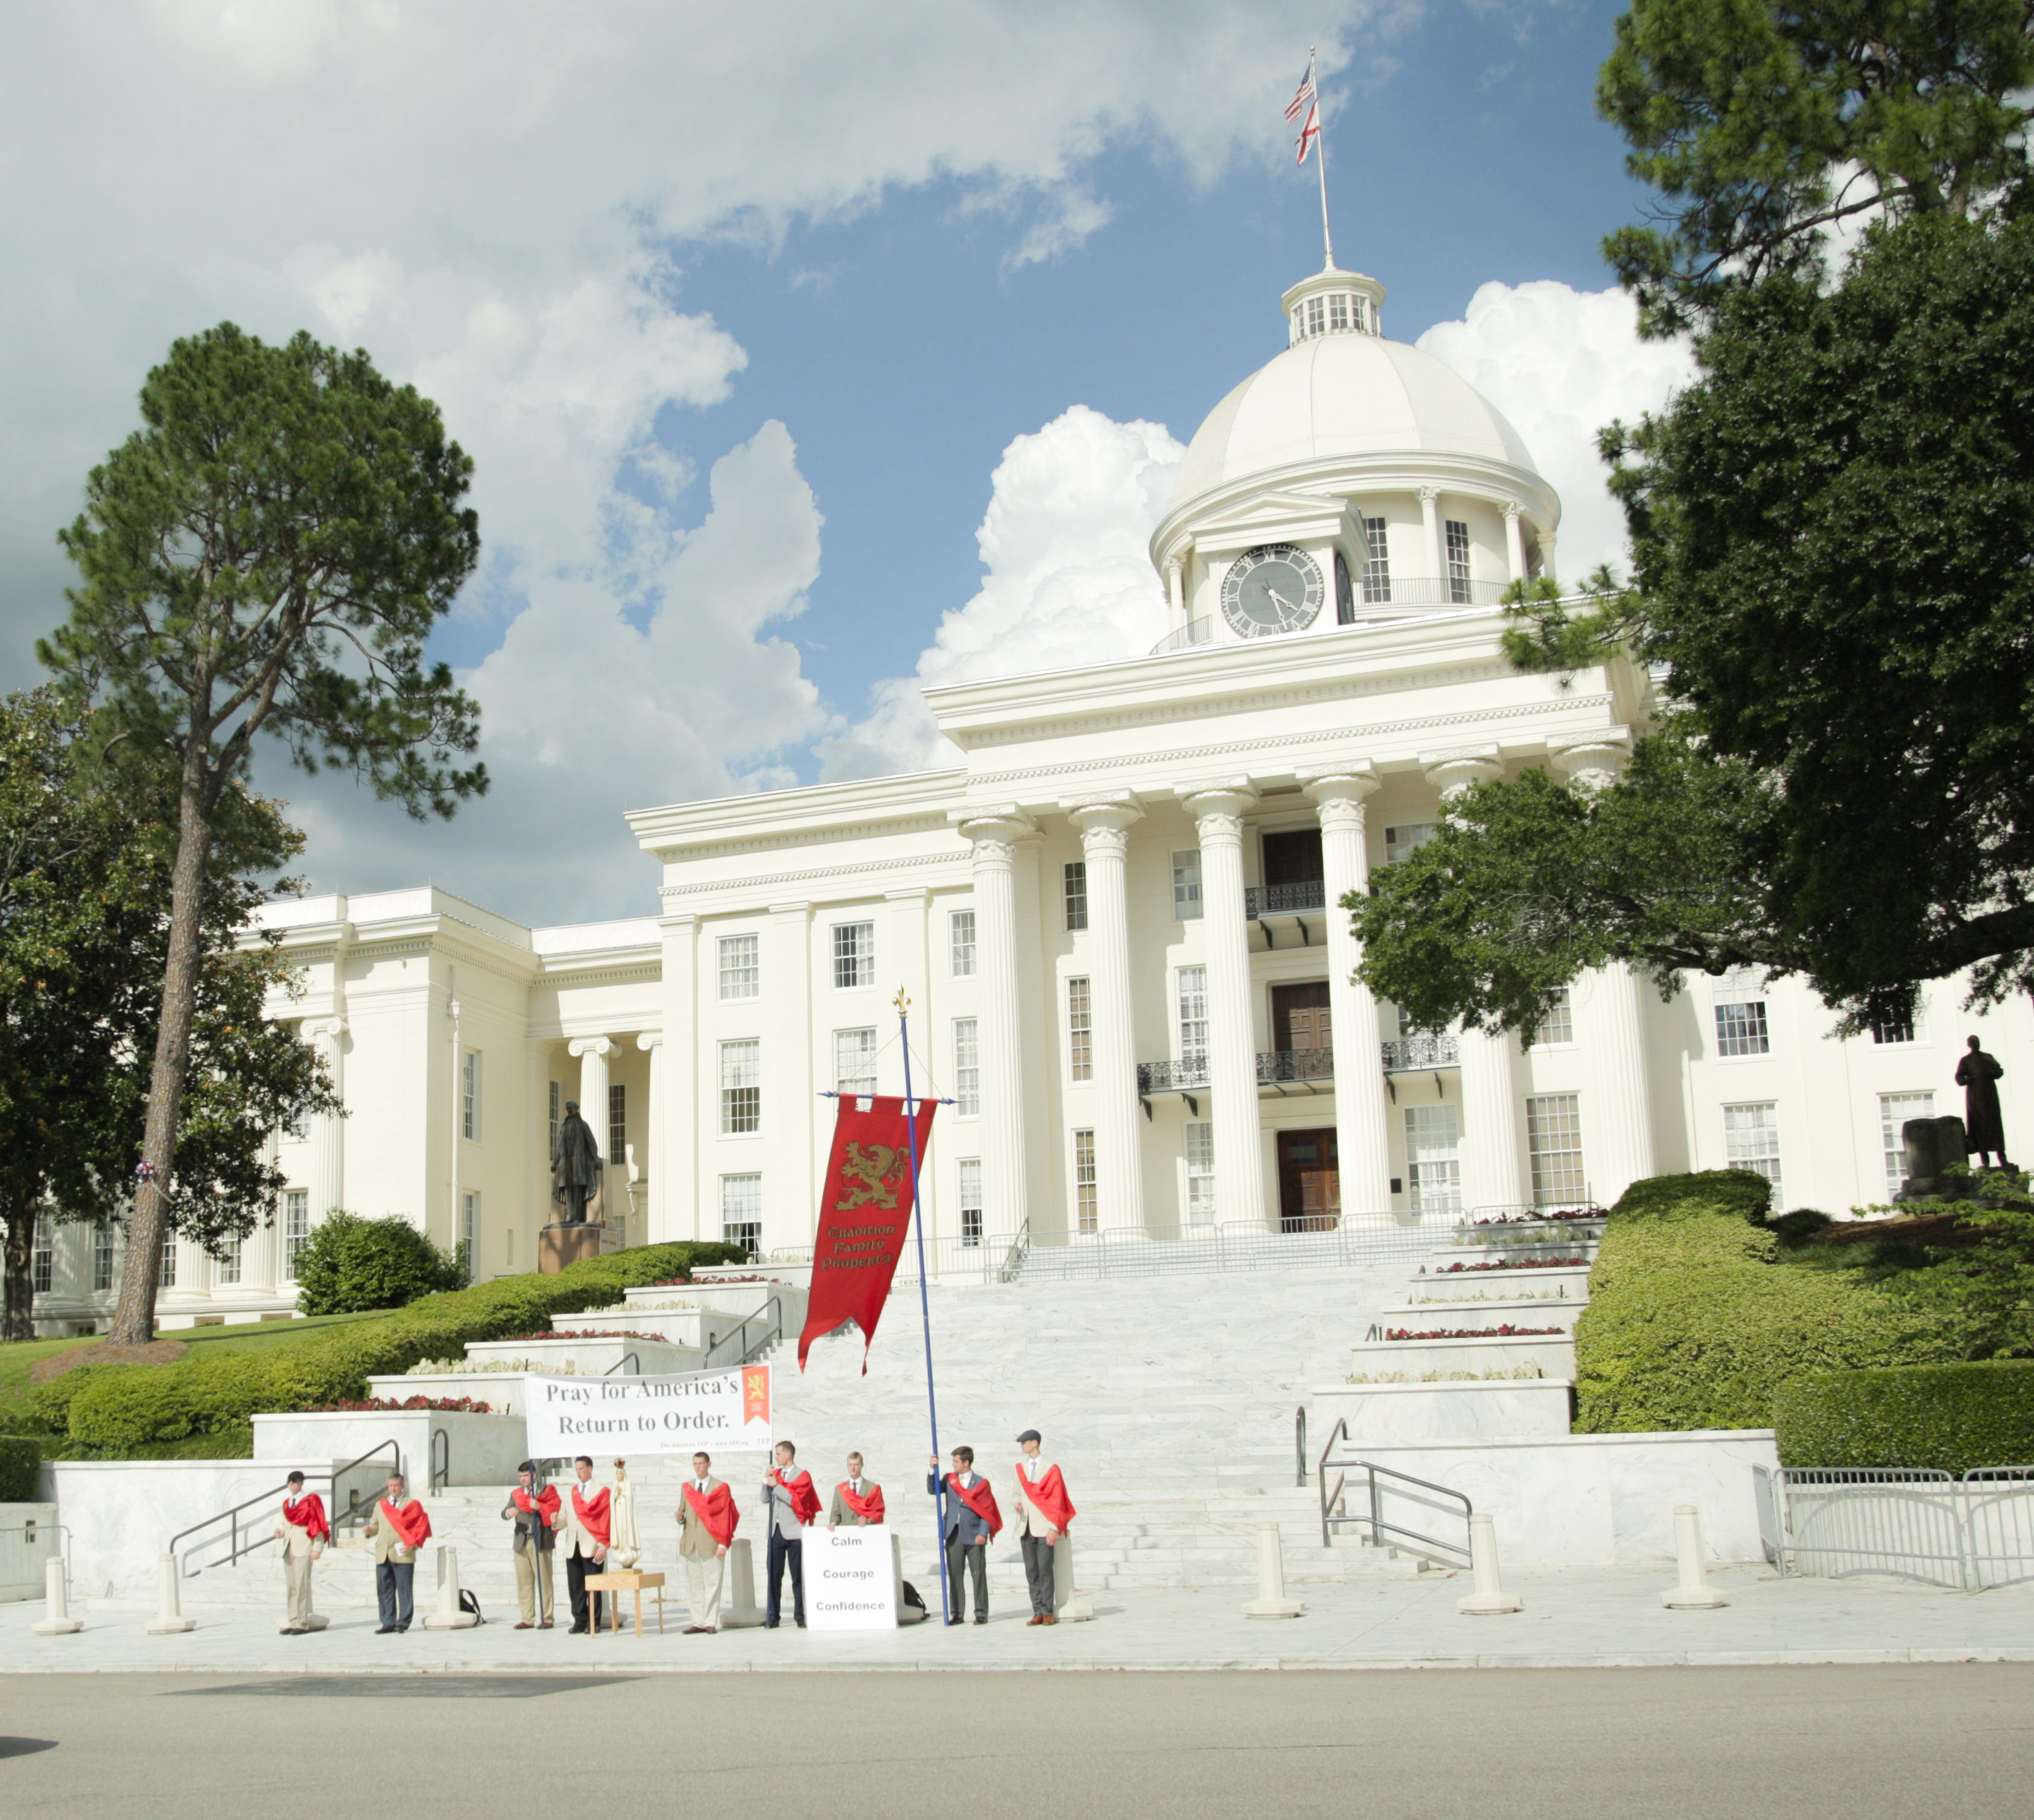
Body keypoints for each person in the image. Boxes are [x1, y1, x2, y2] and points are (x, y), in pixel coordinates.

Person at [1011, 1428, 1076, 1627]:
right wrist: (1016, 1502)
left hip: (1044, 1526)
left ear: (1035, 1443)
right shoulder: (1020, 1468)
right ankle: (1037, 1610)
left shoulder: (1051, 1469)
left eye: (1025, 1442)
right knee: (1032, 1571)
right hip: (1027, 1525)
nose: (1022, 1445)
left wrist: (1054, 1527)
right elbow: (1016, 1493)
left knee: (1045, 1570)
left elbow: (1057, 1500)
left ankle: (1048, 1611)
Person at [927, 1446, 999, 1626]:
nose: (953, 1465)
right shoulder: (950, 1480)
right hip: (954, 1533)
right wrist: (931, 1469)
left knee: (978, 1574)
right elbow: (933, 1489)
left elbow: (987, 1511)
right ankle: (957, 1613)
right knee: (955, 1575)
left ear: (966, 1463)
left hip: (974, 1533)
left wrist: (983, 1533)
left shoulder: (981, 1483)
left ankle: (981, 1612)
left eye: (956, 1462)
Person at [361, 1471, 431, 1634]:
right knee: (385, 1588)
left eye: (396, 1486)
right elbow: (376, 1526)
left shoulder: (412, 1504)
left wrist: (413, 1545)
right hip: (383, 1552)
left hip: (402, 1552)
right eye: (391, 1486)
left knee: (404, 1588)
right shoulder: (381, 1504)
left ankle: (403, 1622)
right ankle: (388, 1622)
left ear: (403, 1487)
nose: (393, 1489)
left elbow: (420, 1527)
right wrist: (369, 1530)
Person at [676, 1450, 737, 1634]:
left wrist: (723, 1543)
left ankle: (710, 1621)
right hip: (690, 1542)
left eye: (701, 1464)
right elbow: (683, 1512)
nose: (698, 1468)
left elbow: (726, 1516)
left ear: (709, 1464)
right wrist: (679, 1517)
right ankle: (698, 1621)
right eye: (695, 1464)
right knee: (693, 1584)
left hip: (711, 1542)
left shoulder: (720, 1487)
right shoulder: (687, 1487)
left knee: (712, 1583)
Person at [761, 1439, 819, 1629]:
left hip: (794, 1530)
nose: (776, 1457)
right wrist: (766, 1481)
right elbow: (765, 1499)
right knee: (774, 1575)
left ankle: (800, 1614)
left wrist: (776, 1485)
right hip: (775, 1530)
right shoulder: (776, 1474)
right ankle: (773, 1615)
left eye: (779, 1454)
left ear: (788, 1455)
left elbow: (795, 1499)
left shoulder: (802, 1475)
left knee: (797, 1576)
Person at [502, 1460, 560, 1630]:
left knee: (544, 1579)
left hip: (540, 1538)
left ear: (534, 1475)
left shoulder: (546, 1491)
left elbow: (555, 1508)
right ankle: (527, 1617)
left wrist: (540, 1506)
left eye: (526, 1476)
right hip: (521, 1540)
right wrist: (508, 1513)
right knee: (524, 1581)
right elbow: (504, 1511)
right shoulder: (516, 1494)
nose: (523, 1480)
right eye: (520, 1476)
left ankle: (547, 1617)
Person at [272, 1470, 327, 1636]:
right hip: (289, 1548)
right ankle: (293, 1619)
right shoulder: (287, 1503)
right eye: (292, 1482)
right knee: (292, 1586)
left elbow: (317, 1524)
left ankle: (302, 1622)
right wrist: (280, 1532)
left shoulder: (310, 1501)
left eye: (298, 1482)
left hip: (304, 1547)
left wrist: (317, 1548)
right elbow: (286, 1524)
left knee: (302, 1585)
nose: (295, 1485)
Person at [562, 1454, 611, 1634]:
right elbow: (563, 1518)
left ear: (590, 1469)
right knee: (575, 1586)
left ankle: (594, 1622)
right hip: (573, 1545)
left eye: (582, 1469)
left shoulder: (600, 1491)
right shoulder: (571, 1493)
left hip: (592, 1545)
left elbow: (605, 1519)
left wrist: (603, 1545)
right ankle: (580, 1619)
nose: (579, 1473)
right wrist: (554, 1520)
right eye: (576, 1470)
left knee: (593, 1586)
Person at [1959, 1036, 2010, 1169]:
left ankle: (2002, 1158)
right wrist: (1967, 1080)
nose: (1976, 1044)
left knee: (1995, 1125)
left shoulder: (1988, 1057)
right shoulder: (1966, 1061)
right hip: (1975, 1097)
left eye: (1977, 1042)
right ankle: (1985, 1161)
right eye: (1973, 1042)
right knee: (1978, 1126)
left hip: (1990, 1096)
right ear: (1969, 1045)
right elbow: (1959, 1078)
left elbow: (1999, 1071)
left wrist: (1995, 1073)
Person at [829, 1452, 885, 1528]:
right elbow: (835, 1514)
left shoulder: (873, 1488)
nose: (853, 1468)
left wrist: (868, 1522)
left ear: (862, 1465)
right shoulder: (839, 1489)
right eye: (850, 1465)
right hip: (846, 1537)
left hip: (866, 1534)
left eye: (856, 1465)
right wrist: (833, 1523)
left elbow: (879, 1514)